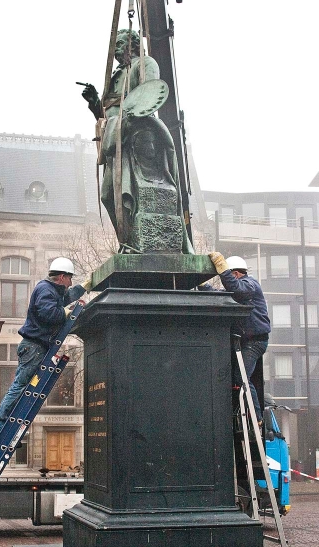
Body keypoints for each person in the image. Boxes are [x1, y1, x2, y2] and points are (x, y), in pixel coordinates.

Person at [81, 29, 193, 254]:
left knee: (134, 195)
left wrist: (128, 117)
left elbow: (150, 96)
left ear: (131, 44)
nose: (116, 49)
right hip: (115, 141)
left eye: (120, 43)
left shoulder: (145, 64)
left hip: (136, 137)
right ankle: (128, 241)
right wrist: (95, 104)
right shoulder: (115, 76)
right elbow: (108, 114)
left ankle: (135, 244)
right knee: (107, 196)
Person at [0, 257, 91, 444]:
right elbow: (49, 313)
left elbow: (67, 297)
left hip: (36, 347)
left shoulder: (52, 290)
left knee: (23, 388)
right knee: (19, 387)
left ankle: (4, 430)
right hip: (34, 347)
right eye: (70, 278)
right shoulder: (45, 290)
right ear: (61, 276)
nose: (71, 282)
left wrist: (84, 286)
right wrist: (67, 313)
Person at [202, 253, 271, 424]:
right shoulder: (240, 290)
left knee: (241, 377)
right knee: (234, 376)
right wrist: (203, 285)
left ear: (236, 274)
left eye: (228, 276)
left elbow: (238, 290)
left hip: (255, 342)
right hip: (246, 341)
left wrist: (221, 268)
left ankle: (257, 418)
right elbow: (221, 295)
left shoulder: (250, 285)